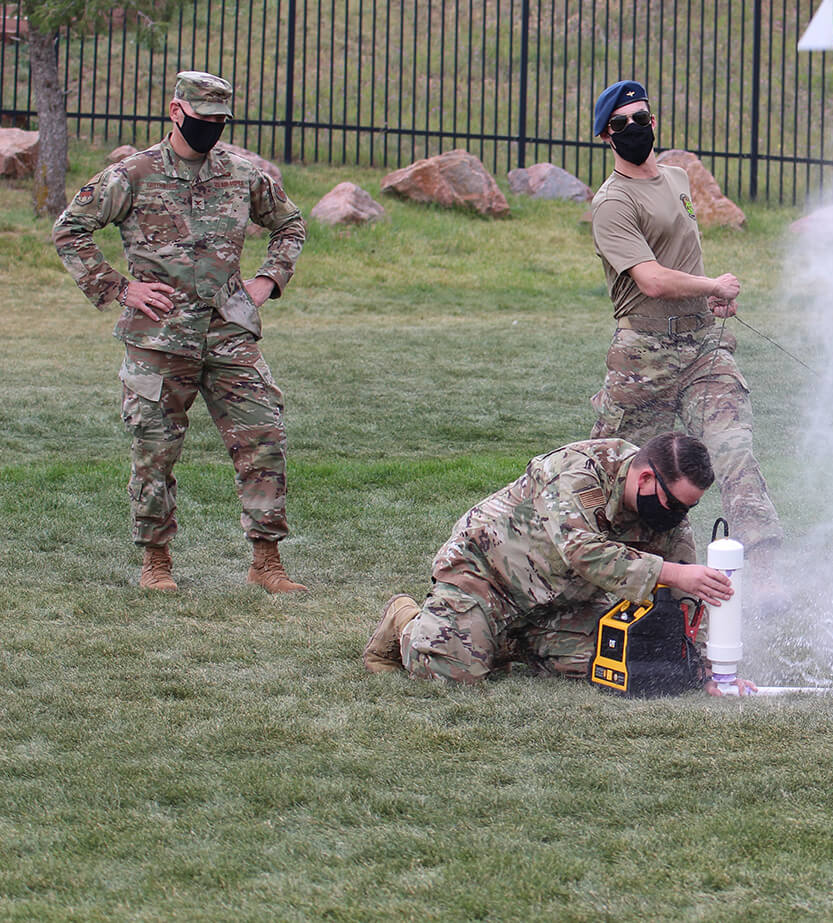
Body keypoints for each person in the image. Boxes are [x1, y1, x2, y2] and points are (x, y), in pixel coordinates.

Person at [53, 70, 308, 594]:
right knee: (155, 449)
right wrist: (120, 289)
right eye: (201, 119)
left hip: (228, 332)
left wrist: (268, 278)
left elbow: (289, 223)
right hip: (158, 339)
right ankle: (156, 562)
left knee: (263, 437)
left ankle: (266, 561)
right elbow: (70, 229)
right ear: (176, 112)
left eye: (219, 121)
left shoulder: (243, 173)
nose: (210, 128)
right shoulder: (131, 175)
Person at [362, 433, 746, 693]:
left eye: (689, 508)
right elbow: (582, 551)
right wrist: (673, 572)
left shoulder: (666, 513)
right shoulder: (580, 472)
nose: (680, 516)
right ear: (645, 477)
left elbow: (687, 601)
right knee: (451, 675)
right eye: (675, 504)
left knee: (620, 660)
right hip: (486, 575)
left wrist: (708, 670)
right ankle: (406, 619)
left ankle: (502, 640)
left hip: (560, 600)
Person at [584, 79, 783, 572]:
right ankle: (609, 571)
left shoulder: (676, 178)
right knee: (624, 474)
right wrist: (711, 284)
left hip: (702, 347)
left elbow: (683, 260)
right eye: (622, 124)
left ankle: (767, 568)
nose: (635, 128)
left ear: (655, 122)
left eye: (642, 119)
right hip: (642, 359)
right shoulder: (612, 203)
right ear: (606, 136)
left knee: (734, 449)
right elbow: (650, 280)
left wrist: (707, 298)